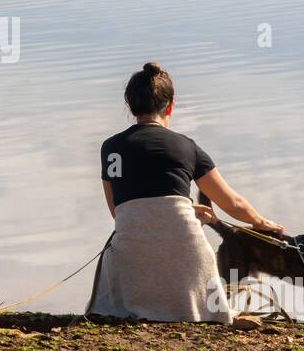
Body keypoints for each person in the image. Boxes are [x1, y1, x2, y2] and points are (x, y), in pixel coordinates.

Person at [86, 61, 284, 322]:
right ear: (170, 105)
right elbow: (232, 202)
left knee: (115, 249)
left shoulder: (110, 148)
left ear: (131, 106)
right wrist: (260, 222)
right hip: (188, 267)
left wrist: (184, 209)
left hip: (131, 266)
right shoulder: (185, 147)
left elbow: (121, 212)